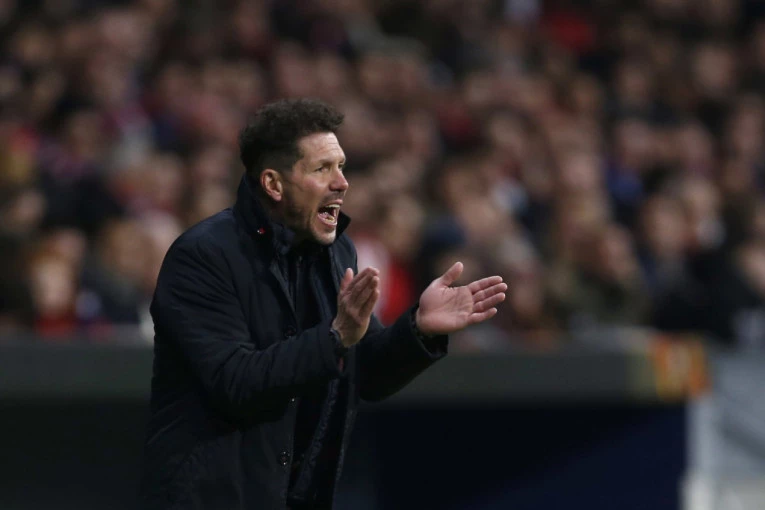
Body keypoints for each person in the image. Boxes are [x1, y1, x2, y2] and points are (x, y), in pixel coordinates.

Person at [139, 98, 507, 510]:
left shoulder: (336, 252)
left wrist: (419, 329)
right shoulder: (203, 256)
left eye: (342, 166)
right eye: (322, 169)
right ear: (274, 184)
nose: (342, 183)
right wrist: (334, 338)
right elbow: (235, 384)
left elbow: (365, 373)